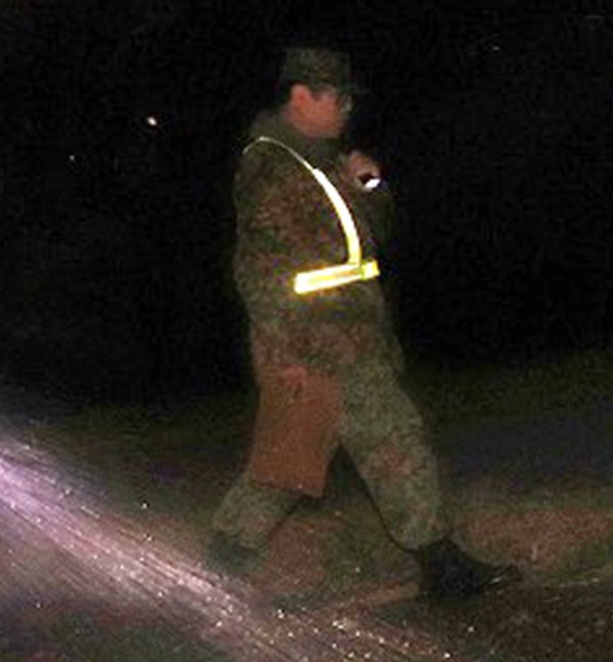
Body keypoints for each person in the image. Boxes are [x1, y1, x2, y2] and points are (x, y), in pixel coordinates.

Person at [207, 46, 518, 600]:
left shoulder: (318, 163)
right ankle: (440, 564)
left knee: (289, 464)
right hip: (320, 345)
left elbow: (370, 238)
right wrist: (282, 358)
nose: (347, 107)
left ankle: (217, 568)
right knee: (396, 439)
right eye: (338, 95)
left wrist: (369, 184)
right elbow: (259, 273)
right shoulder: (271, 169)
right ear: (301, 95)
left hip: (349, 338)